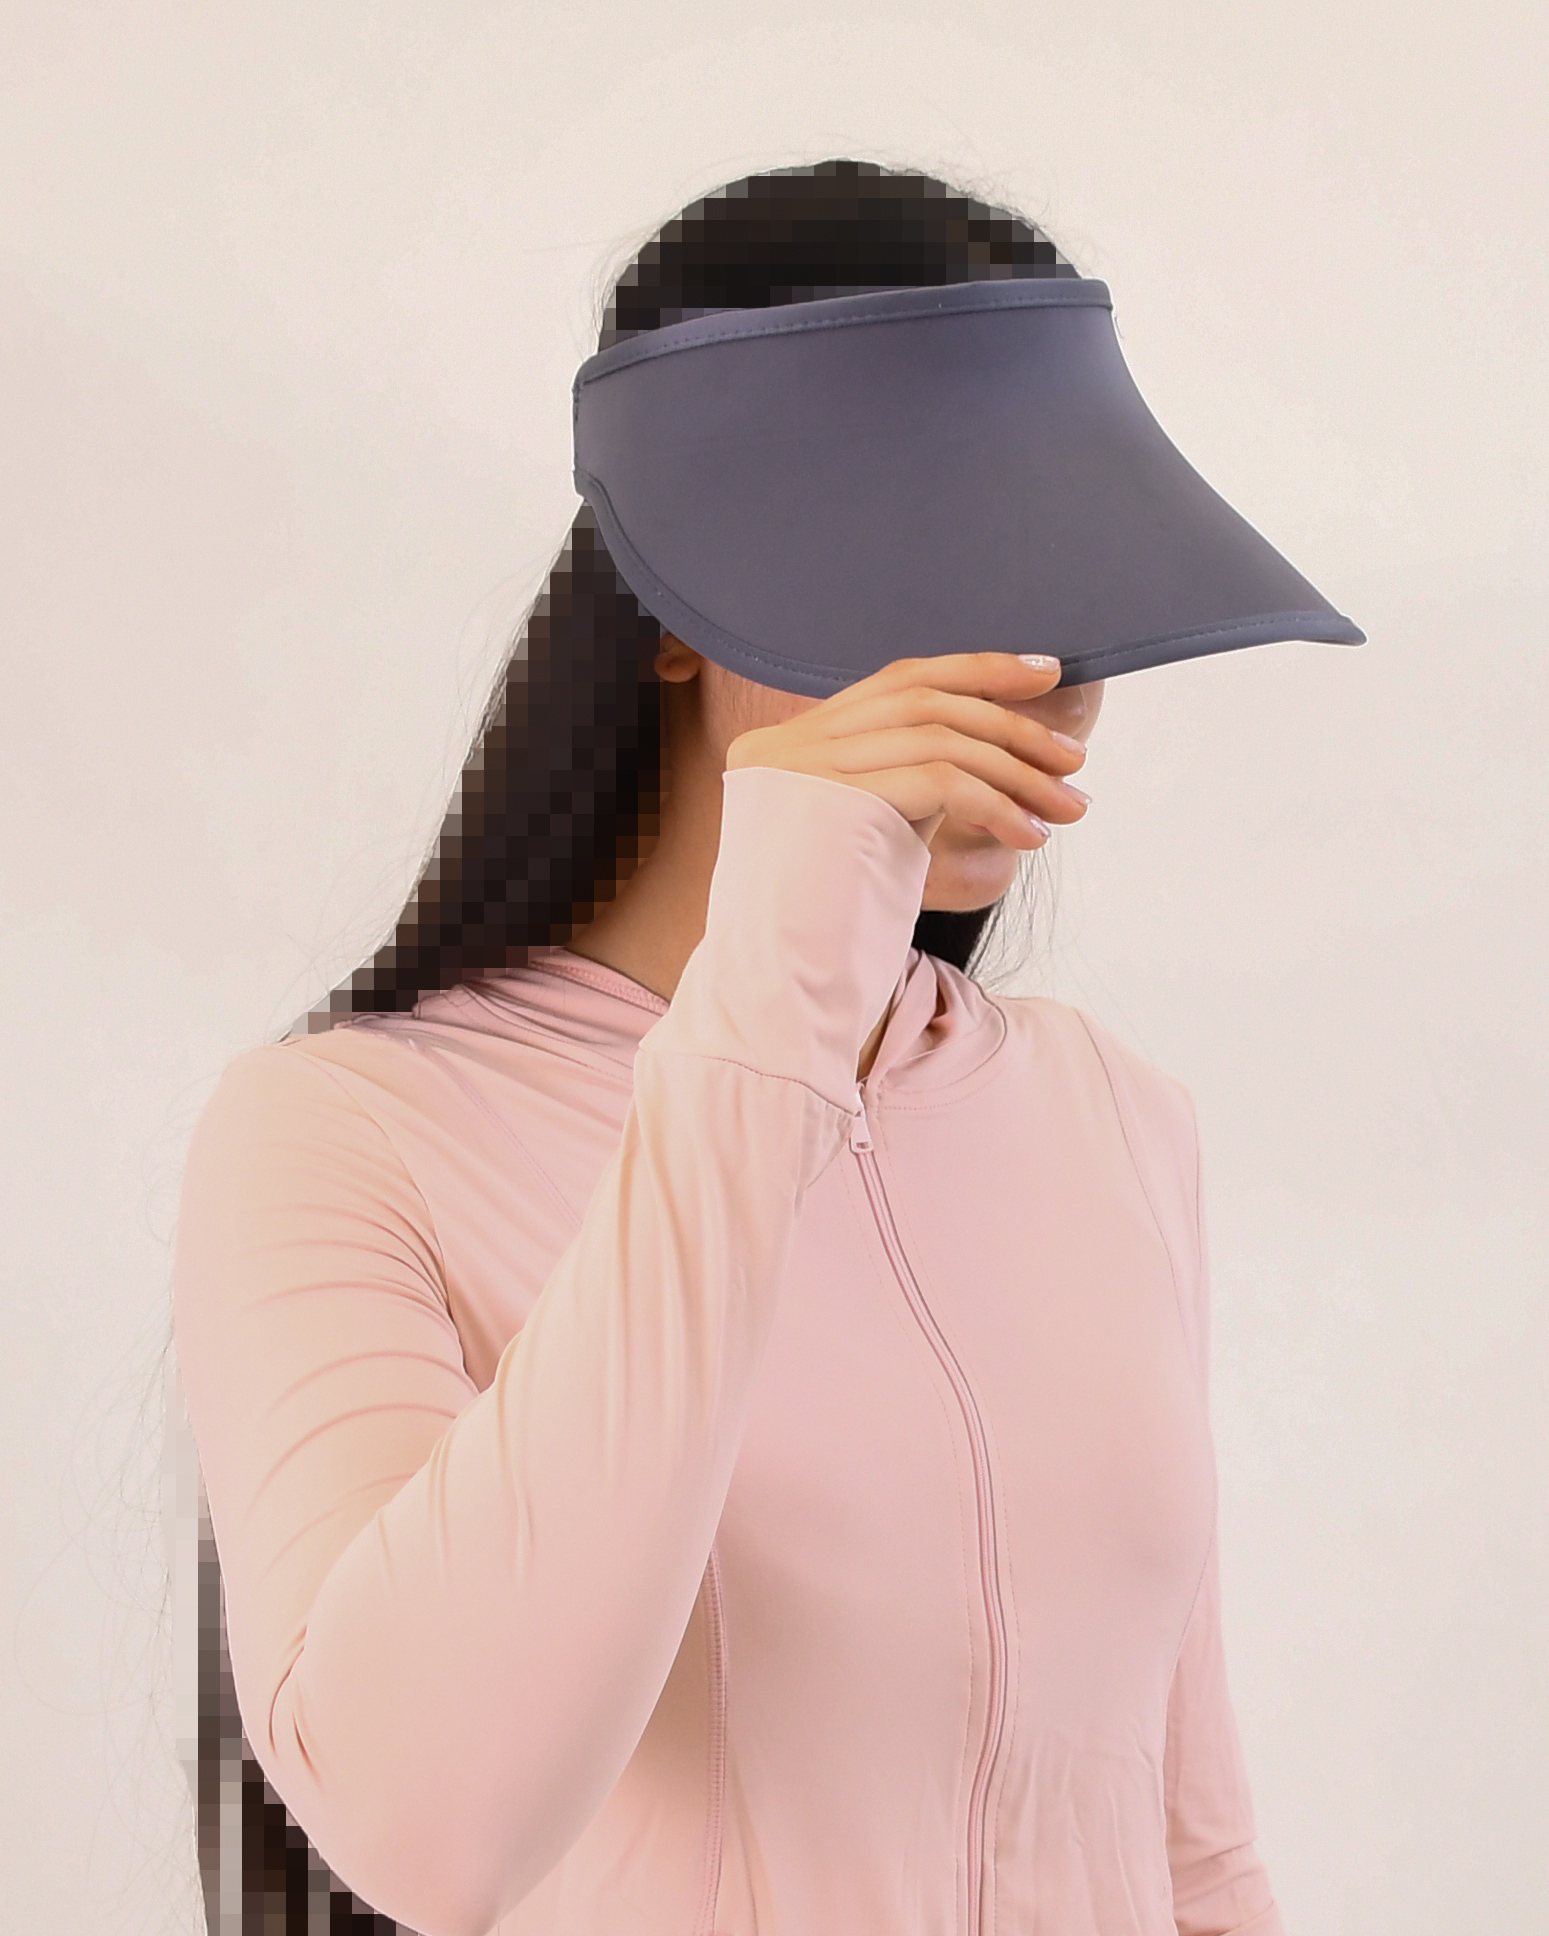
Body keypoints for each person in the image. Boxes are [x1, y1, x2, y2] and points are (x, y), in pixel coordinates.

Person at [172, 162, 1289, 1936]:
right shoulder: (344, 1133)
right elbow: (420, 1822)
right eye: (940, 565)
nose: (1043, 668)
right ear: (677, 605)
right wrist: (776, 984)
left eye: (1077, 571)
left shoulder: (1111, 1116)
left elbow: (1188, 1841)